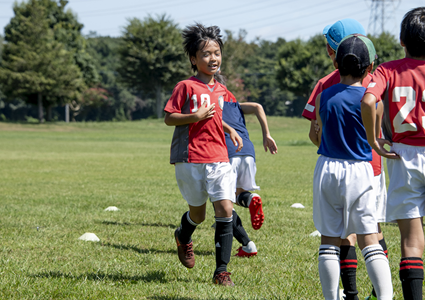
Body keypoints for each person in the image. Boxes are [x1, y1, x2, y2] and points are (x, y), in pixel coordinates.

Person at [302, 19, 389, 300]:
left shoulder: (324, 96)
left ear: (336, 62)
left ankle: (332, 297)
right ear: (369, 67)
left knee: (329, 239)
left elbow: (318, 134)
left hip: (327, 167)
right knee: (369, 238)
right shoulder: (371, 98)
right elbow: (373, 133)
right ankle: (385, 297)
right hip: (360, 170)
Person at [164, 23, 243, 286]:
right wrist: (193, 117)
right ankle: (183, 235)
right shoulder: (185, 86)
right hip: (189, 158)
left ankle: (222, 271)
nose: (213, 59)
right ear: (194, 59)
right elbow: (169, 118)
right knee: (198, 216)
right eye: (207, 54)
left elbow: (215, 116)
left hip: (219, 157)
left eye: (217, 53)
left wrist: (229, 129)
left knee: (225, 209)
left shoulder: (220, 88)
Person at [361, 7, 425, 300]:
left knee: (411, 241)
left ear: (402, 40)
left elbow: (369, 99)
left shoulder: (387, 69)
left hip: (404, 157)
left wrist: (374, 138)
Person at [216, 74, 278, 257]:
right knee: (237, 194)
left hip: (228, 152)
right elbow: (258, 106)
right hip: (248, 152)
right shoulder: (235, 105)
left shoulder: (211, 106)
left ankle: (247, 245)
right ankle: (250, 199)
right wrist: (266, 134)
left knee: (222, 203)